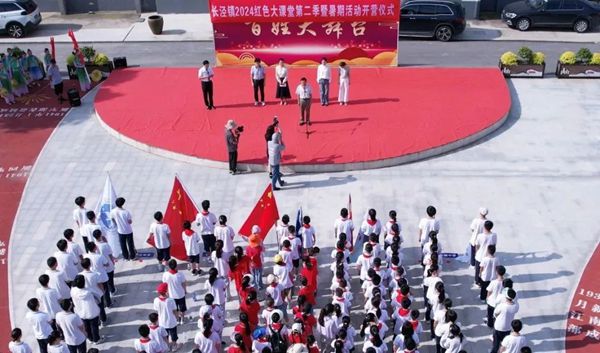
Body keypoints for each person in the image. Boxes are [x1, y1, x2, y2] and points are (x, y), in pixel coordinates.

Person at [70, 275, 102, 344]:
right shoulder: (89, 291)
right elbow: (98, 298)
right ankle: (96, 339)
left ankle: (89, 338)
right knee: (94, 326)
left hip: (81, 312)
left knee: (86, 327)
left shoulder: (73, 291)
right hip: (92, 312)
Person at [153, 283, 181, 352]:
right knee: (173, 335)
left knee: (166, 335)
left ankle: (167, 346)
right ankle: (174, 346)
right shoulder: (170, 300)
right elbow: (174, 311)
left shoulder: (156, 300)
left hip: (162, 322)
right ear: (166, 291)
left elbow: (156, 310)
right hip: (171, 322)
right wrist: (177, 317)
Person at [162, 259, 187, 325]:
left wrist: (166, 292)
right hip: (181, 294)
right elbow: (183, 284)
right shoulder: (180, 274)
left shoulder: (165, 275)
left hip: (171, 295)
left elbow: (164, 285)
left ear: (169, 266)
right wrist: (185, 291)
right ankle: (182, 319)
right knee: (182, 308)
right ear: (176, 266)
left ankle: (177, 319)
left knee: (174, 309)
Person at [475, 220, 497, 286]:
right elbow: (494, 245)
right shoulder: (494, 235)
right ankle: (486, 282)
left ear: (484, 227)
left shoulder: (480, 236)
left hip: (480, 256)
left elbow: (477, 246)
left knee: (478, 270)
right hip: (489, 255)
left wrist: (476, 252)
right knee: (487, 270)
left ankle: (477, 281)